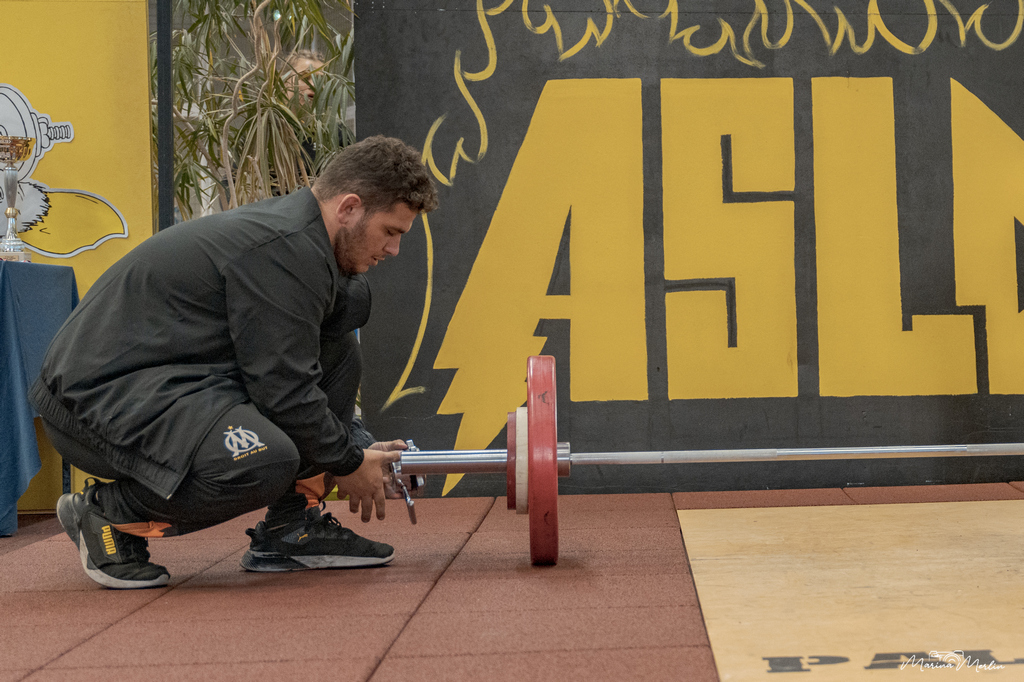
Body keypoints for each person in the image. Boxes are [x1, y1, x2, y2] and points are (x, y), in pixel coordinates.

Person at [29, 135, 438, 589]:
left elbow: (296, 366)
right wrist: (349, 461)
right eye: (391, 232)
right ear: (349, 208)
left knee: (338, 350)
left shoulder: (306, 242)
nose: (393, 250)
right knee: (264, 461)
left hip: (177, 380)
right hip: (95, 399)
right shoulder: (286, 249)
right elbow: (284, 391)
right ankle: (108, 512)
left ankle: (291, 528)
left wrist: (358, 447)